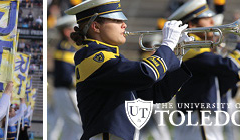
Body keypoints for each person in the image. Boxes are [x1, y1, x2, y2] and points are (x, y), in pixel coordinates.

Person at [65, 0, 192, 139]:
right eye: (117, 20)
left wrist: (177, 55)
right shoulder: (94, 58)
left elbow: (157, 93)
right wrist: (167, 45)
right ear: (95, 26)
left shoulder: (114, 58)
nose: (124, 25)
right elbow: (147, 74)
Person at [167, 0, 240, 139]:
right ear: (192, 25)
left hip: (201, 114)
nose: (212, 22)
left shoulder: (199, 48)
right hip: (198, 115)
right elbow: (230, 66)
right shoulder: (192, 50)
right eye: (207, 18)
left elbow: (228, 77)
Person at [50, 14, 83, 140]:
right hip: (66, 89)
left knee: (69, 128)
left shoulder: (69, 47)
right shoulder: (65, 48)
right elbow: (66, 75)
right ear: (66, 31)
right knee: (78, 126)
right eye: (74, 29)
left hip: (65, 90)